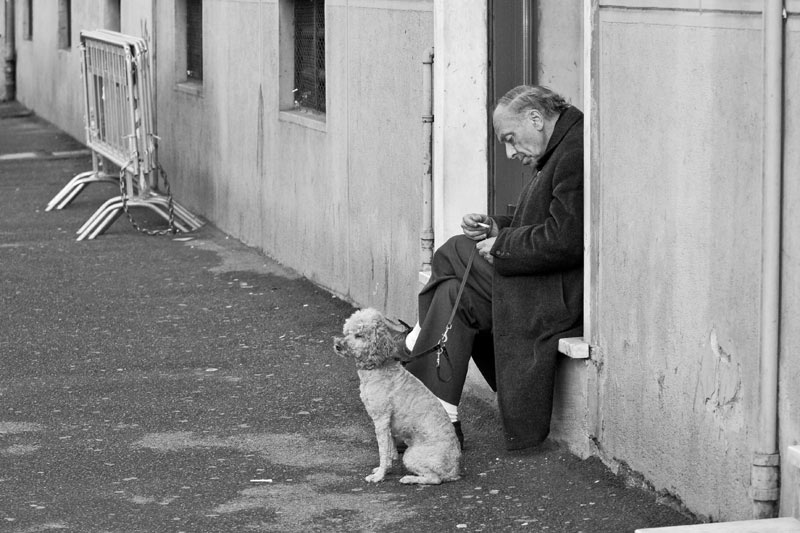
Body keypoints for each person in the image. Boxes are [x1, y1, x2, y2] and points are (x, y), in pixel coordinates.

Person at [403, 85, 584, 451]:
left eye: (511, 138)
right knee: (454, 293)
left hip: (559, 292)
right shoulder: (560, 147)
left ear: (536, 118)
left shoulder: (574, 152)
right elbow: (543, 220)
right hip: (544, 282)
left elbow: (566, 238)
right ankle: (439, 419)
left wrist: (502, 245)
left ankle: (420, 337)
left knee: (455, 250)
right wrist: (497, 226)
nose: (510, 151)